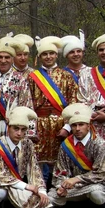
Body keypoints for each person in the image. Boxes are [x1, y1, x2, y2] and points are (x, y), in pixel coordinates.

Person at [48, 103, 105, 208]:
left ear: (88, 125)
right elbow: (60, 171)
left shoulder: (99, 144)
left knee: (97, 193)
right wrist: (62, 185)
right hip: (73, 187)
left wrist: (76, 179)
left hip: (96, 185)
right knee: (50, 197)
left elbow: (102, 174)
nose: (78, 128)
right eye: (74, 125)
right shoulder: (66, 146)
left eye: (81, 125)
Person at [0, 106, 52, 208]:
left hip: (19, 184)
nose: (19, 133)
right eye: (16, 128)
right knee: (0, 193)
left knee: (42, 200)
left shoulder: (28, 144)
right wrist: (26, 186)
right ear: (8, 127)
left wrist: (41, 191)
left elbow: (34, 168)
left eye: (23, 129)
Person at [28, 36, 78, 185]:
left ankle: (59, 191)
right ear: (40, 56)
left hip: (60, 124)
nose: (48, 57)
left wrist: (68, 127)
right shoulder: (32, 77)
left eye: (51, 53)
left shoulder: (67, 76)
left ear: (56, 55)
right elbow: (27, 103)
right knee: (37, 160)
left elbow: (74, 103)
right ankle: (40, 191)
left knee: (61, 159)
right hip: (39, 124)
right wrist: (31, 129)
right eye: (45, 54)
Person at [77, 32, 105, 164]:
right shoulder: (87, 73)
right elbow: (81, 99)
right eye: (101, 50)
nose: (104, 52)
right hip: (94, 125)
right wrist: (92, 114)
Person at [0, 37, 34, 138]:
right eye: (0, 57)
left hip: (11, 128)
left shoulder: (20, 80)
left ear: (12, 59)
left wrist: (29, 132)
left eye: (7, 57)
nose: (3, 60)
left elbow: (26, 106)